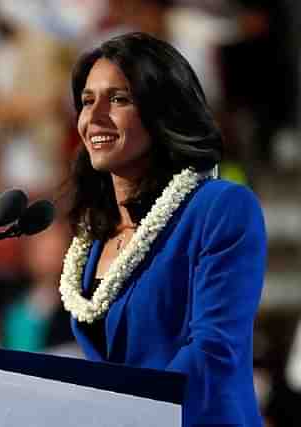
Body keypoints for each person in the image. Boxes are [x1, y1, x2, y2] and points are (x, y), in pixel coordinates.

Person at [59, 32, 266, 427]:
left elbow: (213, 349)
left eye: (118, 99)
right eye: (87, 101)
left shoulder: (220, 208)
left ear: (161, 110)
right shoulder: (95, 232)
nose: (94, 117)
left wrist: (134, 415)